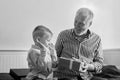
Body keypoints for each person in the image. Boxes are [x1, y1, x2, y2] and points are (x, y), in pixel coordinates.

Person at [55, 7, 104, 80]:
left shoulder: (97, 39)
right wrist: (68, 63)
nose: (76, 25)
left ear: (90, 24)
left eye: (81, 24)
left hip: (86, 76)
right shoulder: (63, 35)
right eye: (75, 21)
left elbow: (99, 63)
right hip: (65, 75)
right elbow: (54, 58)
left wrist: (87, 66)